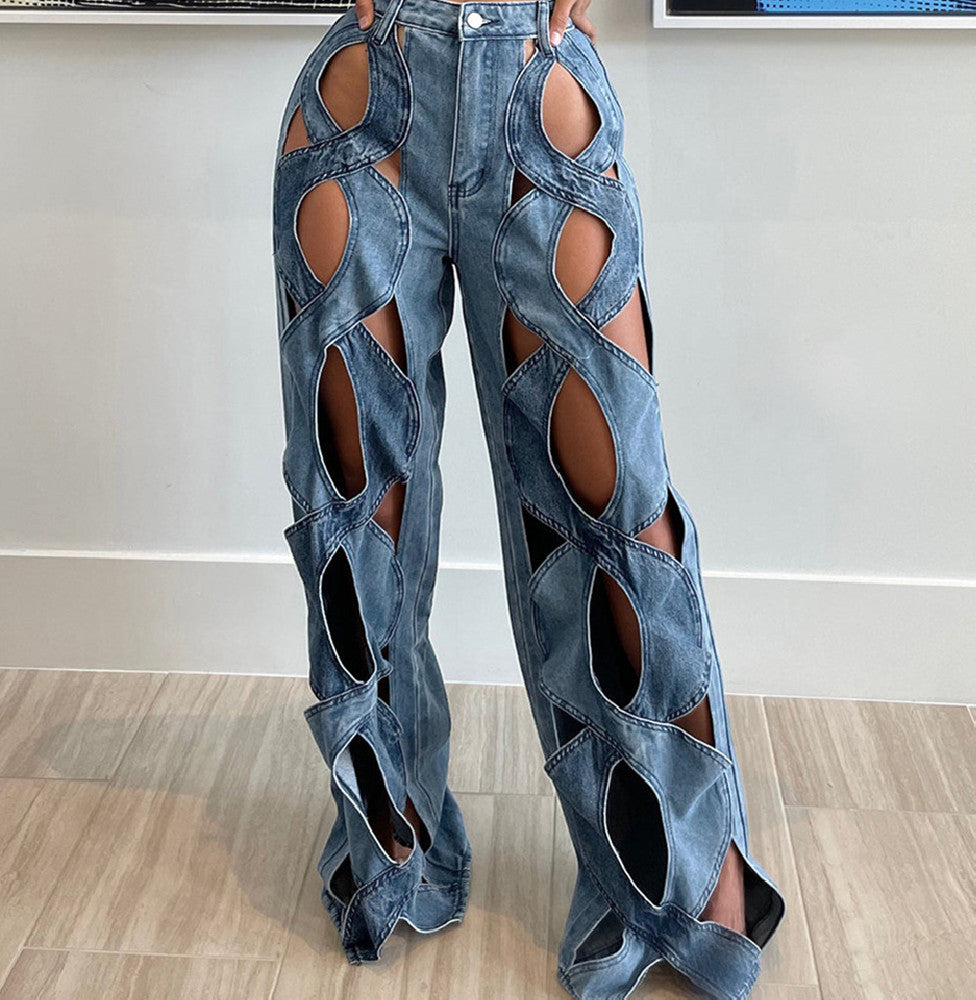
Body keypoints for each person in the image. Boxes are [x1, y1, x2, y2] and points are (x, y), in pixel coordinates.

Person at [271, 0, 786, 995]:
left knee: (616, 514)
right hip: (360, 102)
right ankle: (391, 845)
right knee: (357, 515)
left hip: (537, 98)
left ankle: (685, 878)